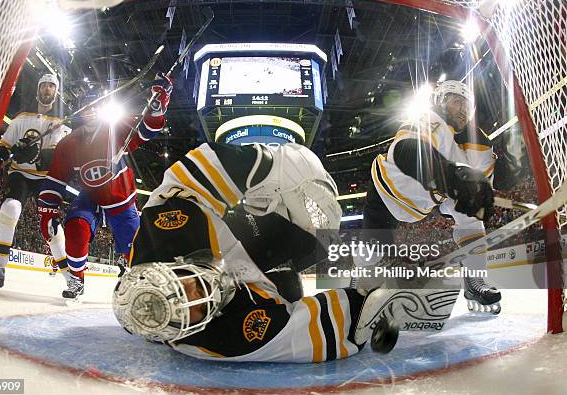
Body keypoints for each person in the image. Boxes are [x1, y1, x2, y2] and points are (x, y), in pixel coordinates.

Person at [112, 142, 457, 362]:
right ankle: (346, 269)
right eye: (194, 311)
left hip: (243, 228)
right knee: (291, 289)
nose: (199, 295)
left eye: (184, 288)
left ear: (173, 264)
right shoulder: (221, 340)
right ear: (182, 332)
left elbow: (195, 170)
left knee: (307, 194)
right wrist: (373, 306)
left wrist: (264, 166)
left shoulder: (165, 228)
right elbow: (306, 335)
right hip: (259, 278)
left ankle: (297, 196)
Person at [354, 79, 500, 313]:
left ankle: (475, 281)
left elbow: (481, 186)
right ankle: (359, 284)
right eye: (456, 102)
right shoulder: (431, 119)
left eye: (467, 105)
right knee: (374, 246)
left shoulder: (480, 143)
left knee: (472, 219)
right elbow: (406, 152)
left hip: (433, 196)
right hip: (391, 188)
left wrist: (485, 190)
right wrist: (451, 176)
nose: (462, 109)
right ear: (440, 102)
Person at [37, 74, 172, 299]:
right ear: (80, 111)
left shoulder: (116, 127)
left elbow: (147, 129)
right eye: (86, 107)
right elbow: (56, 179)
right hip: (89, 196)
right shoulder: (68, 143)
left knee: (136, 248)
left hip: (120, 197)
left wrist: (158, 103)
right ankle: (76, 280)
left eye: (96, 107)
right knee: (76, 228)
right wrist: (47, 211)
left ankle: (136, 276)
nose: (90, 111)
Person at [0, 73, 70, 292]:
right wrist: (0, 158)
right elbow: (5, 146)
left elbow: (55, 156)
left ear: (56, 92)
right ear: (37, 90)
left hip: (44, 178)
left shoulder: (59, 123)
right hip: (21, 175)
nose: (47, 89)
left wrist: (33, 153)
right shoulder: (22, 117)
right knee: (10, 207)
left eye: (51, 86)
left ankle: (70, 276)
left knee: (51, 226)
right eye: (43, 86)